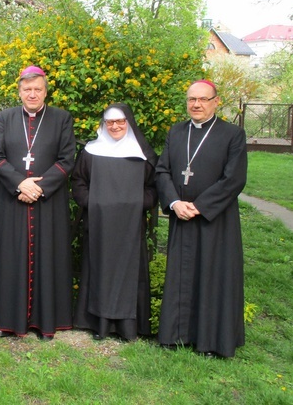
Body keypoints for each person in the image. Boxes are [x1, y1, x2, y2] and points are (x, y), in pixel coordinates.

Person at [155, 79, 247, 358]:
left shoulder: (232, 134)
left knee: (212, 275)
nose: (196, 105)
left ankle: (211, 341)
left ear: (216, 101)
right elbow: (162, 171)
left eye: (203, 99)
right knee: (181, 274)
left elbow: (234, 179)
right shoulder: (177, 131)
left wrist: (199, 206)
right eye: (192, 99)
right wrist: (174, 202)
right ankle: (175, 334)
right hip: (180, 214)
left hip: (214, 219)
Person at [0, 65, 76, 340]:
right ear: (19, 92)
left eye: (38, 89)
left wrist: (39, 188)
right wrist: (19, 184)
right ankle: (7, 321)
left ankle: (45, 322)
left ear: (45, 91)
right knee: (11, 259)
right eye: (27, 89)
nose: (32, 94)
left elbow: (67, 160)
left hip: (47, 203)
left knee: (47, 258)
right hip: (14, 201)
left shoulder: (61, 118)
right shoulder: (6, 117)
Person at [72, 103, 158, 342]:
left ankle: (128, 328)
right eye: (110, 122)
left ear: (128, 123)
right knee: (98, 268)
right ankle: (97, 323)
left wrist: (138, 203)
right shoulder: (91, 152)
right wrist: (95, 202)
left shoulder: (143, 154)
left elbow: (153, 187)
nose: (115, 126)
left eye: (120, 121)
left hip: (131, 226)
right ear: (104, 124)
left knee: (129, 272)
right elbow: (78, 183)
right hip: (98, 223)